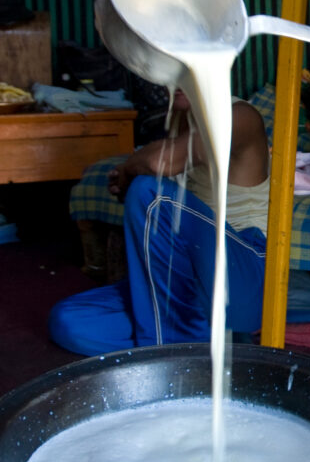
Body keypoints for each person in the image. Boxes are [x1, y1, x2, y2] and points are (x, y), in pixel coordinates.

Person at [49, 91, 271, 354]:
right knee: (68, 321)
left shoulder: (241, 116)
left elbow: (158, 162)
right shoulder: (181, 118)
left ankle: (175, 355)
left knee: (149, 192)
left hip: (243, 275)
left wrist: (130, 167)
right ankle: (202, 340)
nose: (176, 78)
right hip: (189, 284)